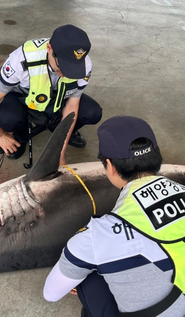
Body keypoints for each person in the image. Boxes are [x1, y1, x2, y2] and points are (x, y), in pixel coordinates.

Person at [43, 116, 185, 316]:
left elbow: (51, 294)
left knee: (87, 275)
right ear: (157, 157)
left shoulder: (96, 235)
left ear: (109, 165)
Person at [0, 24, 102, 165]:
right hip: (24, 96)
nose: (66, 73)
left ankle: (58, 129)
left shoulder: (85, 65)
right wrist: (0, 135)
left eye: (73, 69)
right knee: (8, 119)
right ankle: (19, 134)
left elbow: (72, 105)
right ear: (49, 49)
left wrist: (60, 150)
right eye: (62, 66)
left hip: (58, 96)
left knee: (92, 112)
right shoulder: (21, 59)